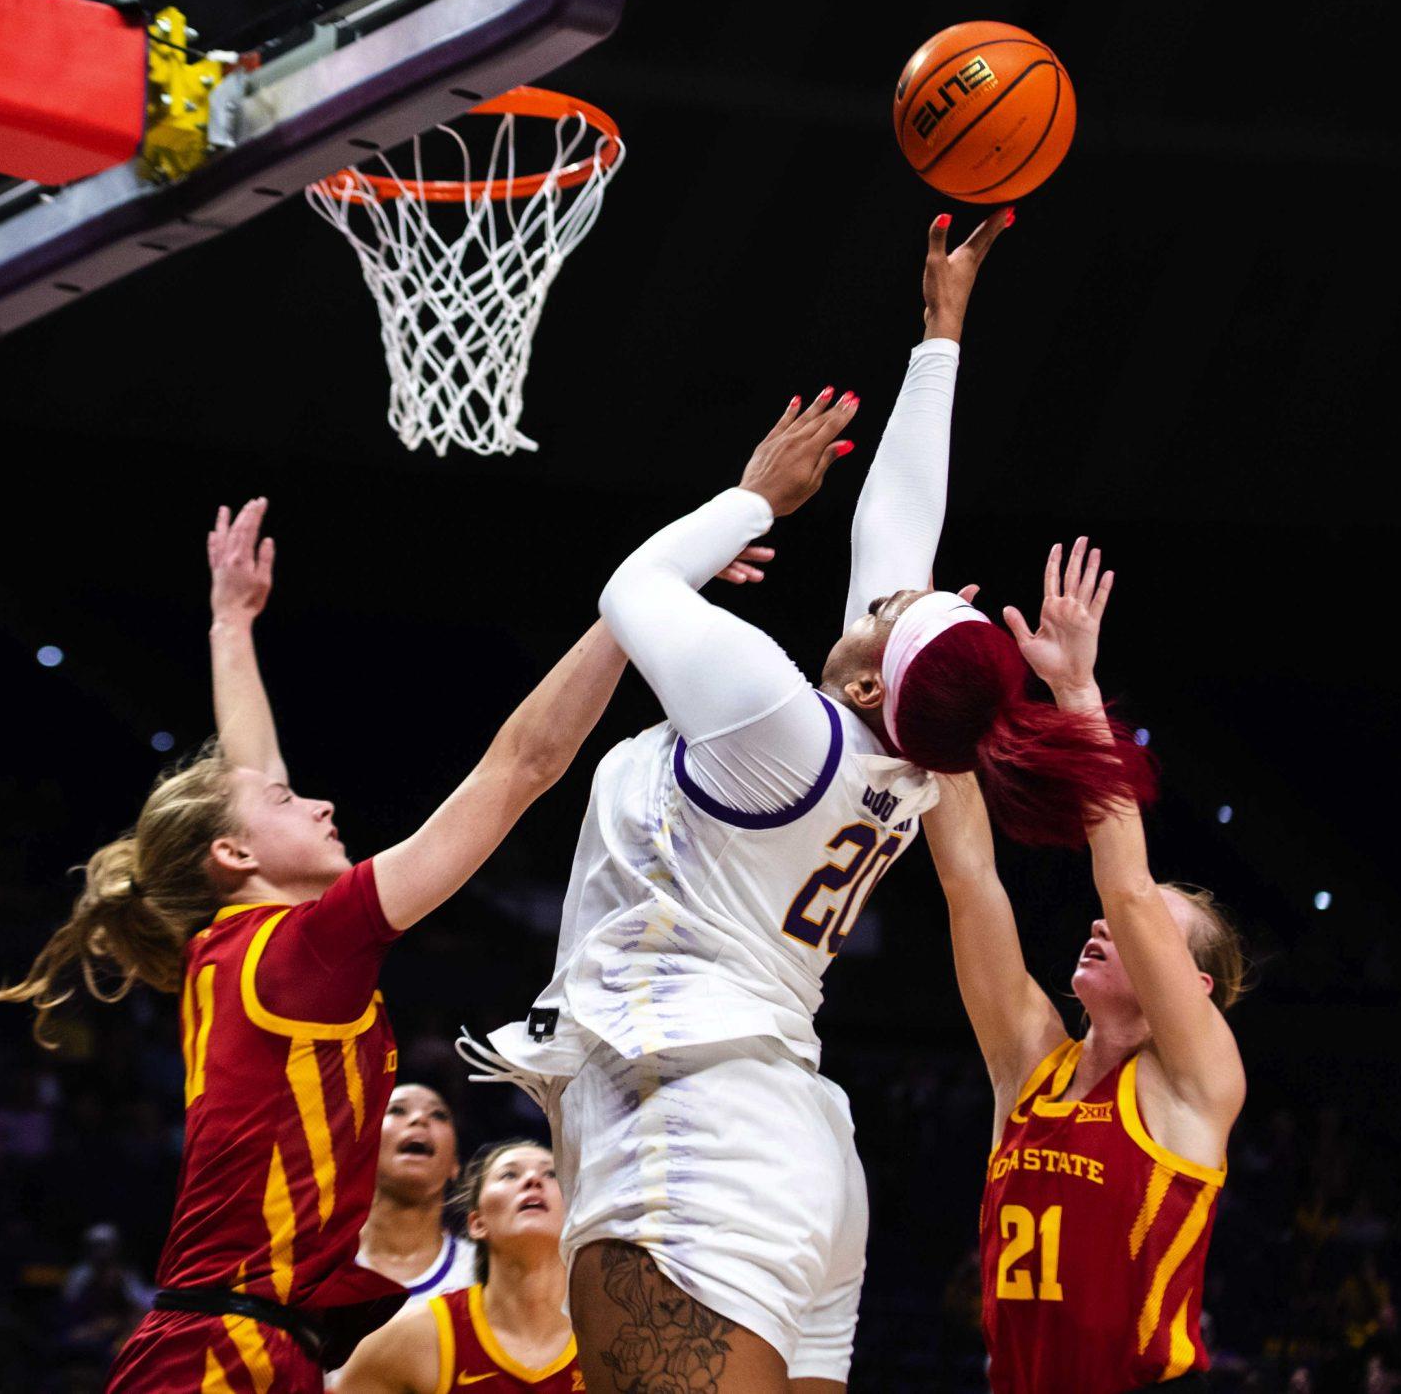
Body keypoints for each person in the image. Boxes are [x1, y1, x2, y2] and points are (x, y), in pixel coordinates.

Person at [472, 213, 1154, 1394]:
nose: (887, 596)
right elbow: (896, 530)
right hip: (791, 1149)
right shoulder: (914, 758)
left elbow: (633, 586)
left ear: (866, 671)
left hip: (697, 1133)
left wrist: (750, 502)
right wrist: (939, 336)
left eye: (895, 611)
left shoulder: (779, 724)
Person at [0, 499, 700, 1393]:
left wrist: (230, 624)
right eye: (289, 804)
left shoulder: (239, 943)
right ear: (234, 856)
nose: (319, 803)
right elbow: (520, 768)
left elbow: (253, 780)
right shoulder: (300, 950)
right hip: (218, 1354)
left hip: (246, 1338)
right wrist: (634, 604)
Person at [925, 541, 1249, 1394]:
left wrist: (1075, 693)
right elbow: (969, 884)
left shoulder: (1195, 1082)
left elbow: (1129, 886)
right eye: (1117, 925)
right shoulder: (1030, 1062)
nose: (1107, 924)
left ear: (1195, 987)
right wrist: (933, 704)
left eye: (1152, 938)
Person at [335, 1141, 579, 1394]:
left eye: (551, 1174)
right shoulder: (414, 1340)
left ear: (575, 1214)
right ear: (477, 1223)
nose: (532, 1179)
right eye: (510, 1174)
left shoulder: (611, 1335)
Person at [357, 1085, 476, 1299]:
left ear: (455, 1164)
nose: (419, 1118)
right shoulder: (320, 1262)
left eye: (438, 1115)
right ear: (364, 1149)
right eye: (397, 1110)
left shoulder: (482, 1274)